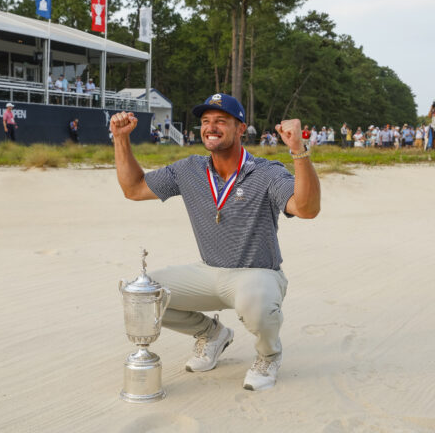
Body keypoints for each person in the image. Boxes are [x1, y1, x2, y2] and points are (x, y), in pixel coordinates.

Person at [109, 93, 321, 391]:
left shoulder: (267, 172)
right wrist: (120, 139)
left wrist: (299, 150)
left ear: (240, 128)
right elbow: (133, 189)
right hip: (208, 272)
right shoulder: (189, 170)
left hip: (257, 273)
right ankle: (212, 334)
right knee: (144, 296)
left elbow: (307, 208)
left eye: (221, 121)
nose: (211, 127)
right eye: (206, 121)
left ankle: (268, 355)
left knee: (256, 304)